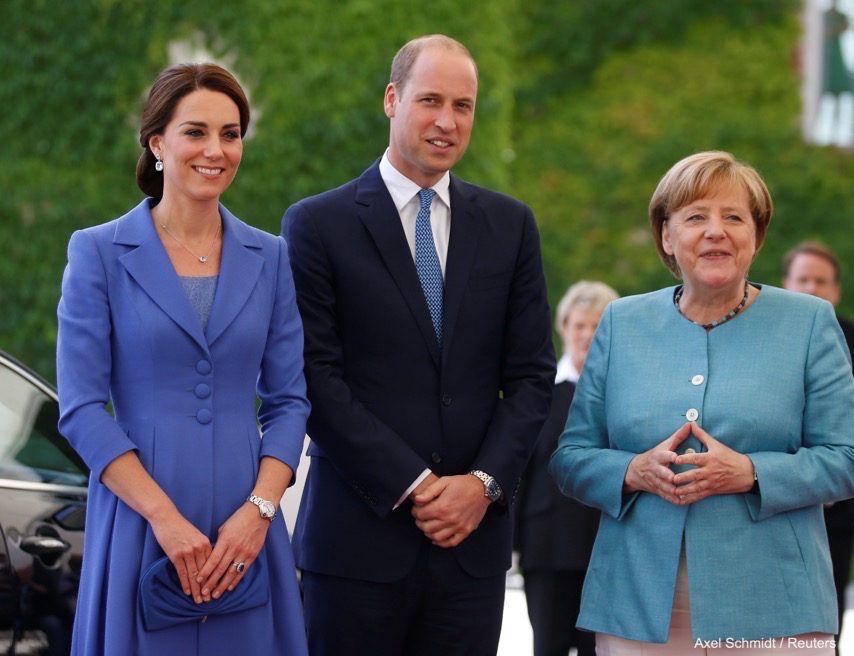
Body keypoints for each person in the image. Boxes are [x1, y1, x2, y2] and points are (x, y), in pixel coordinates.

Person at [281, 34, 556, 656]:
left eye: (463, 106)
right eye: (430, 100)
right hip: (356, 547)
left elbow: (534, 376)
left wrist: (481, 484)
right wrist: (418, 486)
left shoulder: (511, 226)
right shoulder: (317, 225)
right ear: (391, 99)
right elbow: (313, 378)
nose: (447, 120)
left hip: (471, 553)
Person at [549, 150, 854, 654]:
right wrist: (633, 470)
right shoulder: (620, 323)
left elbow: (850, 462)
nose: (715, 230)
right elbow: (571, 459)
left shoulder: (808, 323)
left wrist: (751, 472)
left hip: (776, 607)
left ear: (756, 236)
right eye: (696, 216)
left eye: (734, 217)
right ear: (666, 236)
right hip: (636, 605)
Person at [56, 63, 309, 655]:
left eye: (231, 133)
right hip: (140, 521)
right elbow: (82, 407)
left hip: (247, 529)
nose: (215, 150)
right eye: (195, 132)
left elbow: (289, 400)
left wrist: (259, 511)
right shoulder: (97, 251)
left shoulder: (271, 257)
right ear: (157, 143)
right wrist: (164, 520)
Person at [782, 240, 854, 652]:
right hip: (773, 492)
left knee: (830, 600)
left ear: (836, 290)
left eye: (821, 281)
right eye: (803, 279)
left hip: (840, 498)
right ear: (786, 283)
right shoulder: (763, 337)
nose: (812, 288)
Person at [515, 280, 618, 656]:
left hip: (607, 548)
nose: (587, 334)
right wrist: (509, 544)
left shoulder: (624, 397)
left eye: (596, 326)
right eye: (579, 325)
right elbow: (519, 468)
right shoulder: (539, 390)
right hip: (546, 545)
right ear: (564, 327)